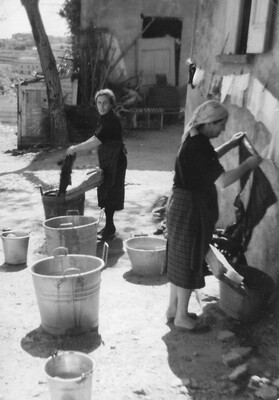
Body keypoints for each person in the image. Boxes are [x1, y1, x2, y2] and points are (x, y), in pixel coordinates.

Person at [165, 100, 262, 333]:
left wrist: (230, 144)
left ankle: (173, 309)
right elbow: (223, 181)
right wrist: (249, 164)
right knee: (189, 261)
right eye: (222, 125)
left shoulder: (194, 136)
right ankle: (181, 318)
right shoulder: (200, 145)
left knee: (179, 259)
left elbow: (208, 159)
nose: (223, 130)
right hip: (189, 208)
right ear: (210, 123)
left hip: (180, 205)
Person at [67, 88, 127, 241]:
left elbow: (95, 141)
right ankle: (109, 226)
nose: (101, 106)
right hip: (108, 158)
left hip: (115, 160)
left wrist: (76, 148)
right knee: (106, 191)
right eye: (99, 103)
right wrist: (85, 147)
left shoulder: (110, 120)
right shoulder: (105, 118)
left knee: (111, 192)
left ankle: (110, 228)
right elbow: (96, 138)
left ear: (111, 104)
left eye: (105, 103)